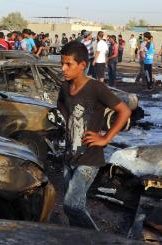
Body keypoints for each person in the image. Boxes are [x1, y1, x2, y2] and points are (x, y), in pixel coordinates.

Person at [58, 41, 131, 230]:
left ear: (82, 65)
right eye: (62, 63)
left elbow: (124, 111)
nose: (63, 69)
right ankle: (79, 238)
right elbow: (63, 108)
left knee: (71, 204)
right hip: (69, 155)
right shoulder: (65, 88)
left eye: (68, 64)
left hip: (90, 157)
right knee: (73, 208)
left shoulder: (96, 88)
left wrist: (105, 138)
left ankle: (97, 239)